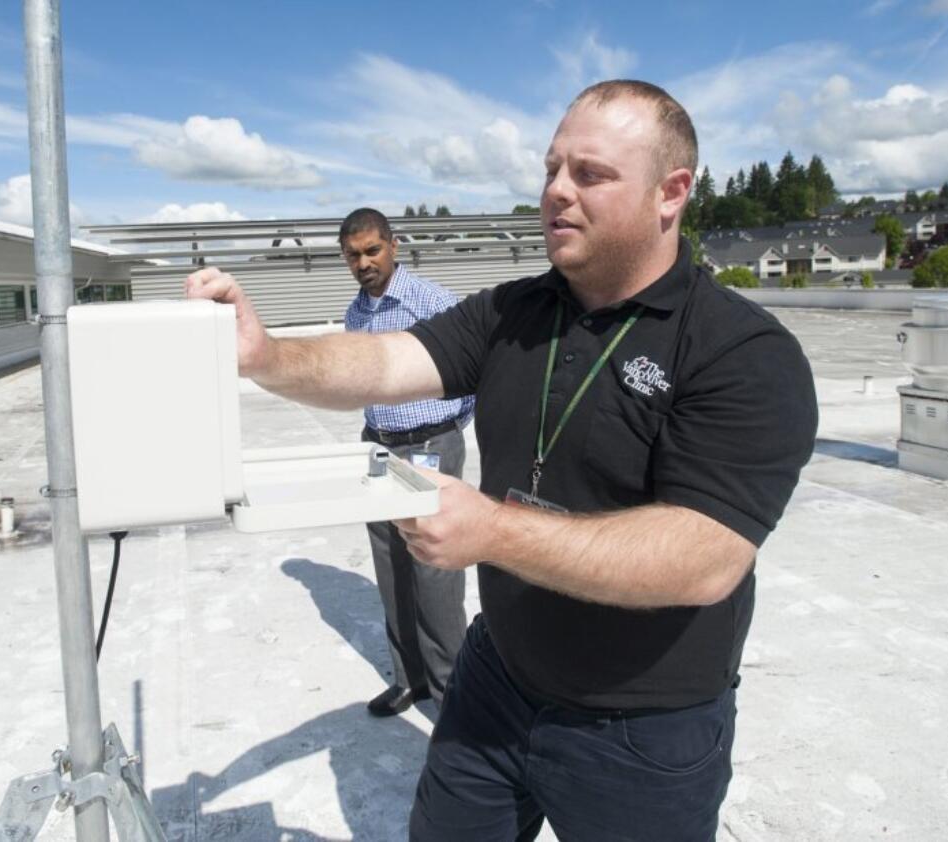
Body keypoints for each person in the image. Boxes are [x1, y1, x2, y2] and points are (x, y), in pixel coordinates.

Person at [187, 79, 818, 841]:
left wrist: (493, 532)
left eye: (589, 173)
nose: (556, 191)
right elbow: (385, 365)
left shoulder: (740, 352)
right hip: (499, 680)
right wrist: (266, 355)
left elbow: (703, 556)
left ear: (671, 193)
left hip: (642, 728)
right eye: (551, 168)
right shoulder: (515, 311)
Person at [338, 207, 474, 718]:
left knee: (434, 569)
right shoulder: (356, 314)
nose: (364, 262)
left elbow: (473, 369)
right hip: (378, 444)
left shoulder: (433, 302)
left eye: (373, 250)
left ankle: (452, 694)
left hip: (429, 446)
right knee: (390, 563)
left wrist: (446, 428)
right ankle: (408, 679)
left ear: (394, 245)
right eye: (353, 255)